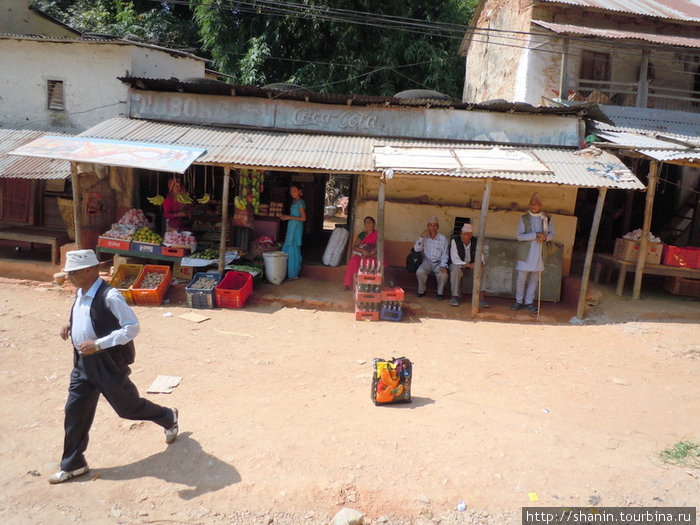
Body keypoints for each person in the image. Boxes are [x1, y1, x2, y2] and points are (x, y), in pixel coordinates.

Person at [49, 249, 178, 484]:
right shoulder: (80, 292)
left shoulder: (110, 296)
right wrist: (70, 324)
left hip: (107, 363)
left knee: (128, 408)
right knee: (75, 411)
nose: (69, 277)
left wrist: (99, 344)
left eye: (73, 273)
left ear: (89, 270)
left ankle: (168, 416)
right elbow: (85, 314)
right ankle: (73, 463)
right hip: (82, 363)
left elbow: (131, 328)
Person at [511, 193, 554, 314]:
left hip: (539, 251)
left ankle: (529, 302)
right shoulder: (523, 218)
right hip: (526, 252)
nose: (533, 206)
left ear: (541, 205)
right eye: (531, 204)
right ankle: (518, 301)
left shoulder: (547, 218)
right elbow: (519, 236)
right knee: (521, 278)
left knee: (534, 279)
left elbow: (552, 234)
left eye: (535, 204)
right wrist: (535, 235)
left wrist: (545, 237)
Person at [448, 223, 490, 308]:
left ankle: (481, 299)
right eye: (462, 234)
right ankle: (454, 297)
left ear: (470, 236)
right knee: (455, 268)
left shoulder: (475, 242)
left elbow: (481, 257)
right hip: (459, 266)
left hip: (470, 267)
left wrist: (480, 264)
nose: (462, 236)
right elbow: (455, 260)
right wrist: (469, 265)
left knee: (483, 269)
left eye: (465, 234)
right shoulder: (455, 241)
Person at [413, 215, 449, 300]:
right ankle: (421, 291)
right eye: (430, 225)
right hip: (427, 261)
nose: (432, 228)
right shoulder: (424, 237)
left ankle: (440, 293)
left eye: (435, 225)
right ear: (427, 226)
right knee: (420, 272)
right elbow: (416, 249)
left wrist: (443, 266)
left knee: (443, 275)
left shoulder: (443, 238)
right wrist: (421, 237)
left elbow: (445, 254)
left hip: (438, 262)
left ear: (438, 227)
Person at [343, 216, 378, 291]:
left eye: (370, 222)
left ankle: (365, 286)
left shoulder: (377, 234)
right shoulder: (362, 234)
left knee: (369, 263)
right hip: (362, 254)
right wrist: (362, 251)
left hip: (373, 255)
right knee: (353, 261)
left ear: (374, 224)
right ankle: (349, 284)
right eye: (366, 222)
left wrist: (370, 254)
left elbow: (378, 247)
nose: (368, 224)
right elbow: (355, 247)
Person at [280, 185, 306, 280]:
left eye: (294, 190)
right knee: (287, 249)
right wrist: (285, 217)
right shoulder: (294, 202)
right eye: (291, 191)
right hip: (291, 227)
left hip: (296, 228)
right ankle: (285, 272)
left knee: (294, 250)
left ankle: (293, 274)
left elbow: (303, 218)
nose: (292, 193)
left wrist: (289, 217)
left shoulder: (301, 203)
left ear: (299, 191)